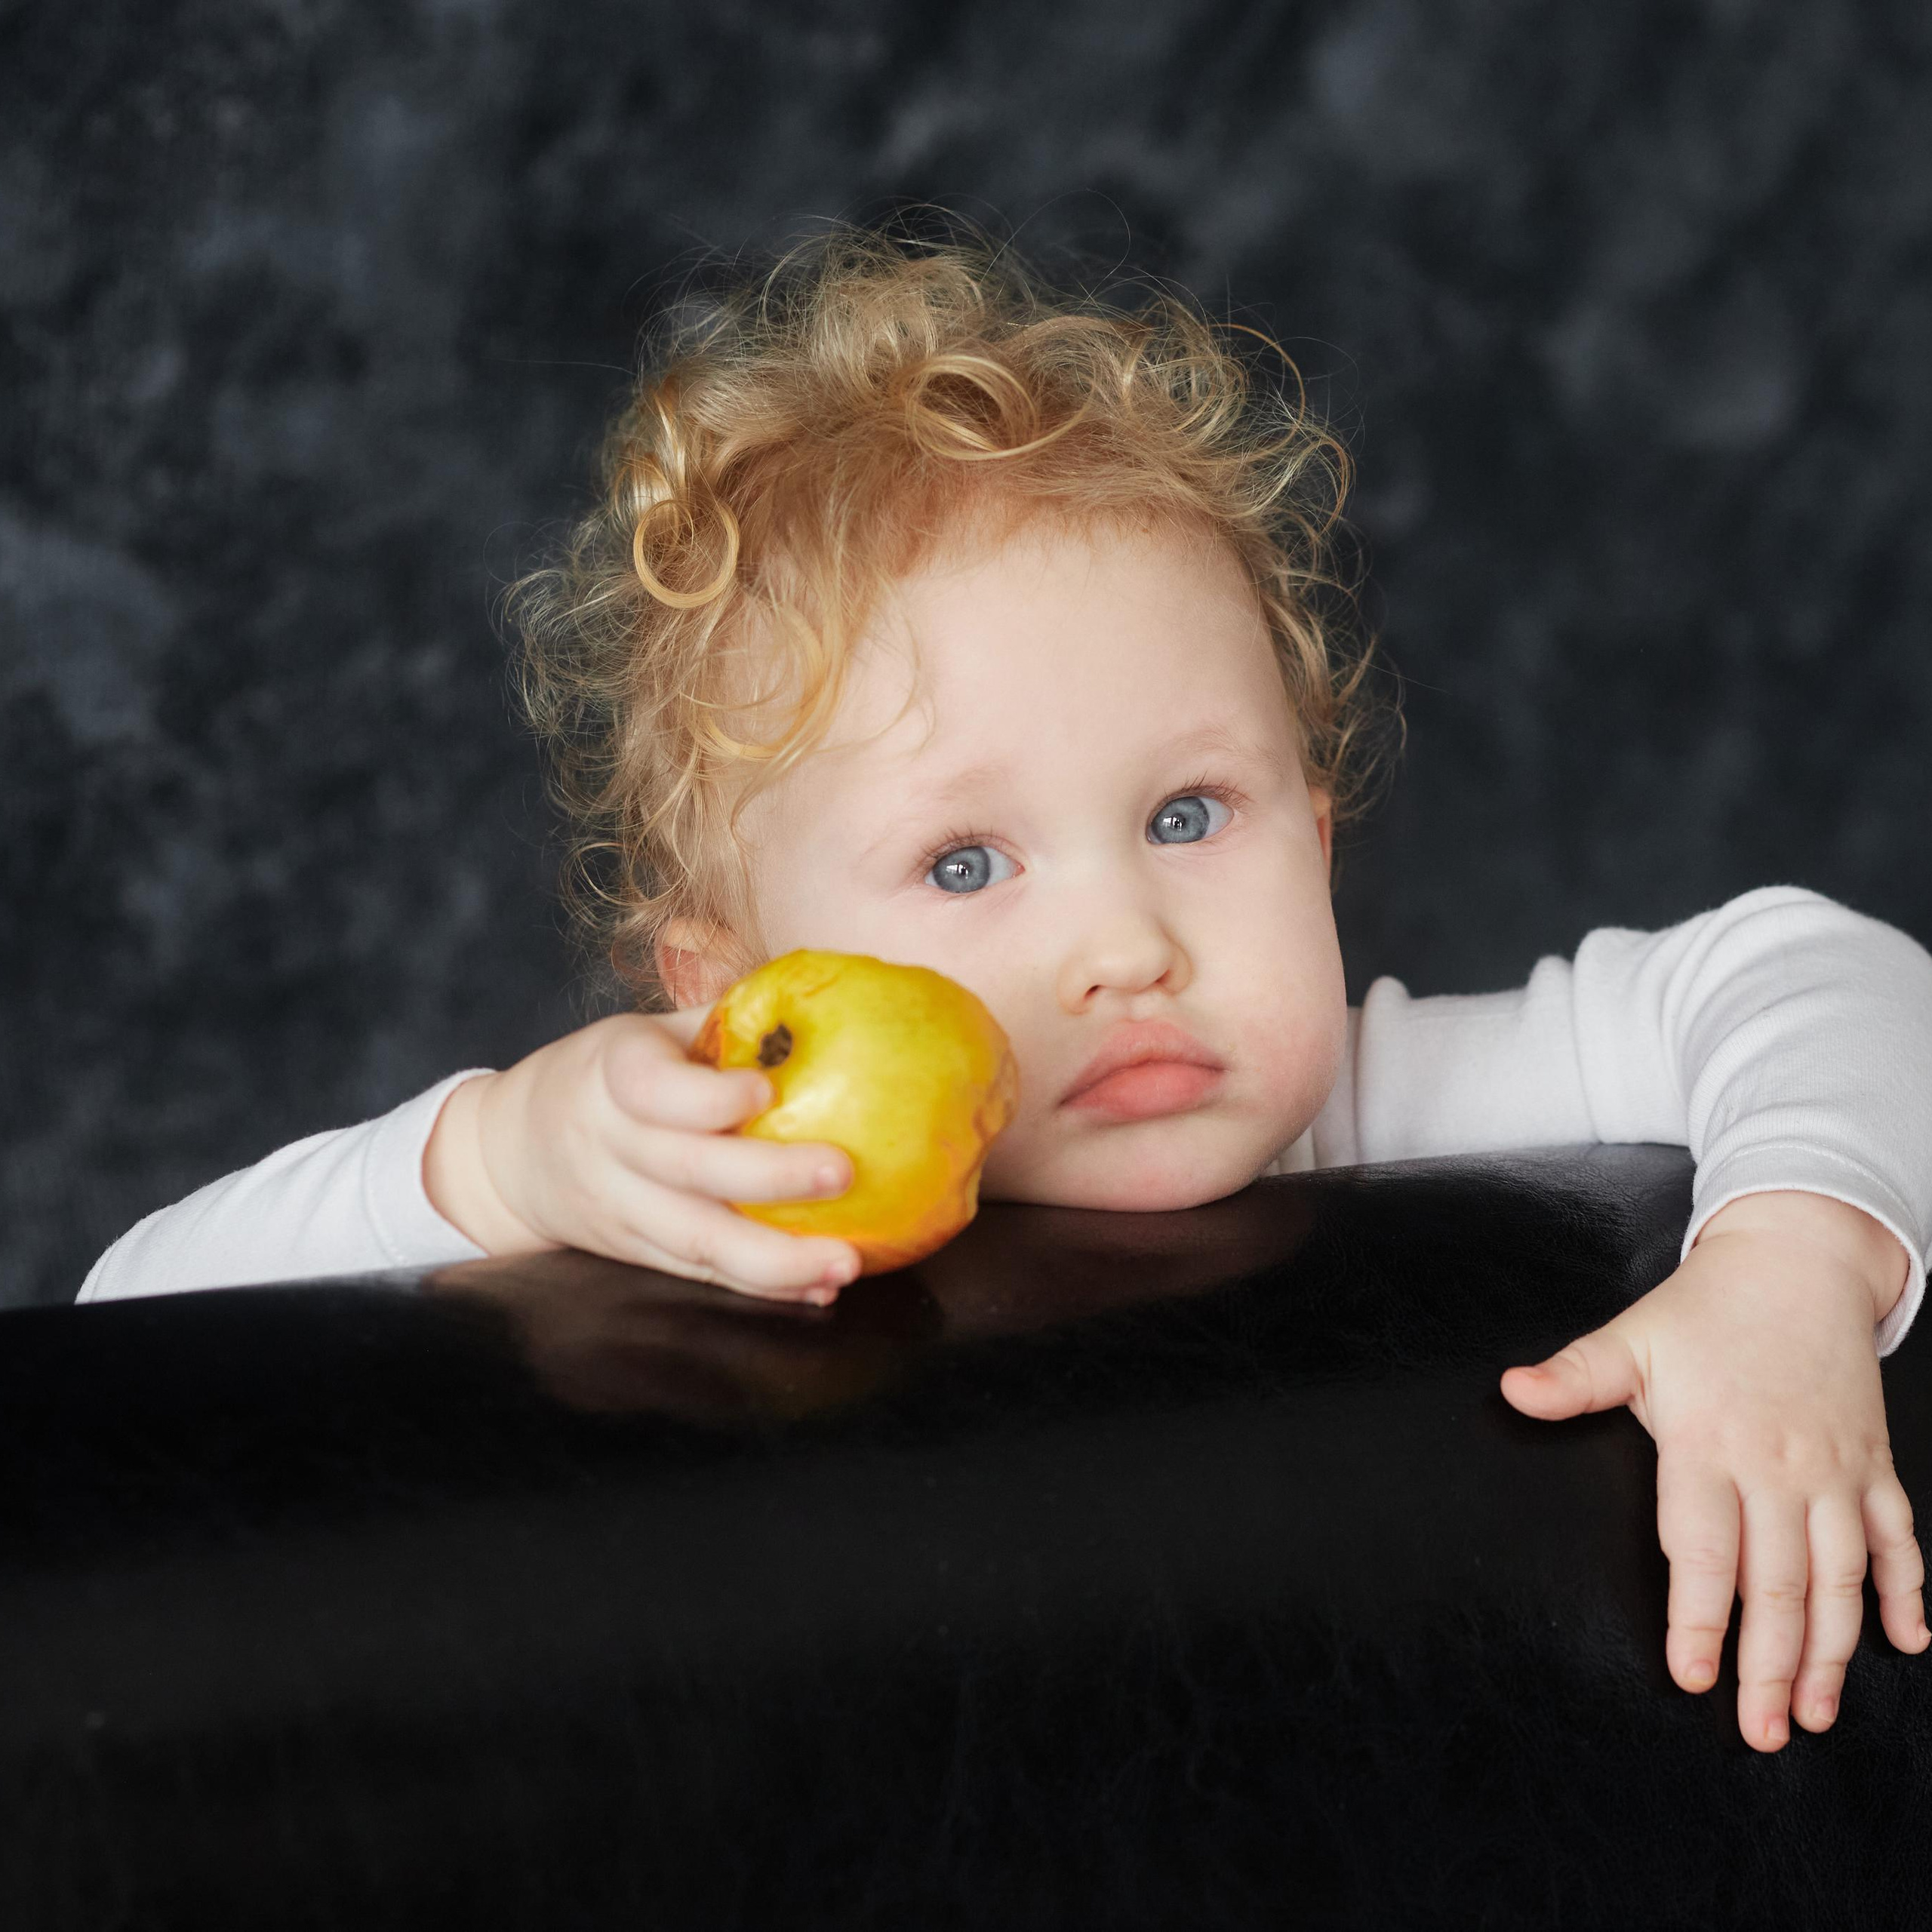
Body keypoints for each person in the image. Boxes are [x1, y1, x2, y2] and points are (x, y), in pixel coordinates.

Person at [79, 216, 1932, 1757]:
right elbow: (125, 1341)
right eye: (965, 864)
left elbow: (1816, 970)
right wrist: (498, 1170)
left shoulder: (1389, 1104)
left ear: (1316, 825)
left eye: (1190, 811)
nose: (1121, 940)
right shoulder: (721, 1183)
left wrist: (1784, 1269)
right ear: (741, 989)